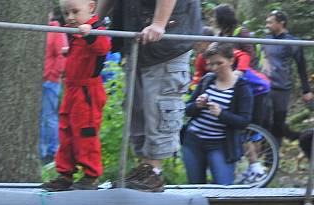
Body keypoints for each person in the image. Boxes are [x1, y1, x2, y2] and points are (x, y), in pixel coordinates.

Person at [96, 0, 202, 192]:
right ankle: (145, 168)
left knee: (159, 103)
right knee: (136, 107)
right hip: (138, 39)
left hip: (166, 40)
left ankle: (154, 170)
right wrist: (94, 19)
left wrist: (159, 23)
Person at [182, 43, 252, 205]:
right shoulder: (206, 81)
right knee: (196, 194)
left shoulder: (242, 89)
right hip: (194, 142)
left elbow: (244, 121)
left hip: (221, 146)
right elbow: (187, 109)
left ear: (231, 61)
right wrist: (198, 105)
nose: (214, 68)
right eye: (211, 64)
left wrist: (221, 114)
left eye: (219, 63)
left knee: (224, 195)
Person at [44, 0, 111, 191]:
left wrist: (89, 34)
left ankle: (91, 175)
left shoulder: (95, 29)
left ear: (91, 7)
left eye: (75, 12)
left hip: (87, 92)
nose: (71, 17)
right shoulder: (73, 32)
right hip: (71, 90)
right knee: (65, 131)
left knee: (86, 132)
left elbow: (103, 47)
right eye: (66, 13)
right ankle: (65, 173)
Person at [261, 9, 313, 143]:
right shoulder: (265, 40)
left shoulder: (293, 42)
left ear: (281, 23)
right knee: (264, 120)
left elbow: (301, 67)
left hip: (282, 88)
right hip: (264, 86)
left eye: (270, 23)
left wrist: (306, 90)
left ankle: (272, 159)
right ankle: (267, 151)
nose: (267, 25)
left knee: (278, 123)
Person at [39, 11, 67, 165]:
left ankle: (52, 152)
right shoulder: (38, 29)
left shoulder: (55, 29)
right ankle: (41, 151)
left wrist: (53, 74)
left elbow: (61, 55)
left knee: (49, 117)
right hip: (37, 81)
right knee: (39, 118)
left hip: (50, 81)